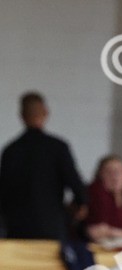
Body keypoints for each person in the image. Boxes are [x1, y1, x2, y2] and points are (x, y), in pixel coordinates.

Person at [0, 92, 87, 240]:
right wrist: (80, 204)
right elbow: (74, 182)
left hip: (18, 228)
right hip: (51, 226)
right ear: (46, 113)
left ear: (21, 116)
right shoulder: (58, 148)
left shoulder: (10, 151)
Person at [85, 155, 122, 242]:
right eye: (109, 172)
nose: (115, 177)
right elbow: (96, 233)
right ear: (100, 175)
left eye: (119, 172)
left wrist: (111, 232)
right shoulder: (94, 192)